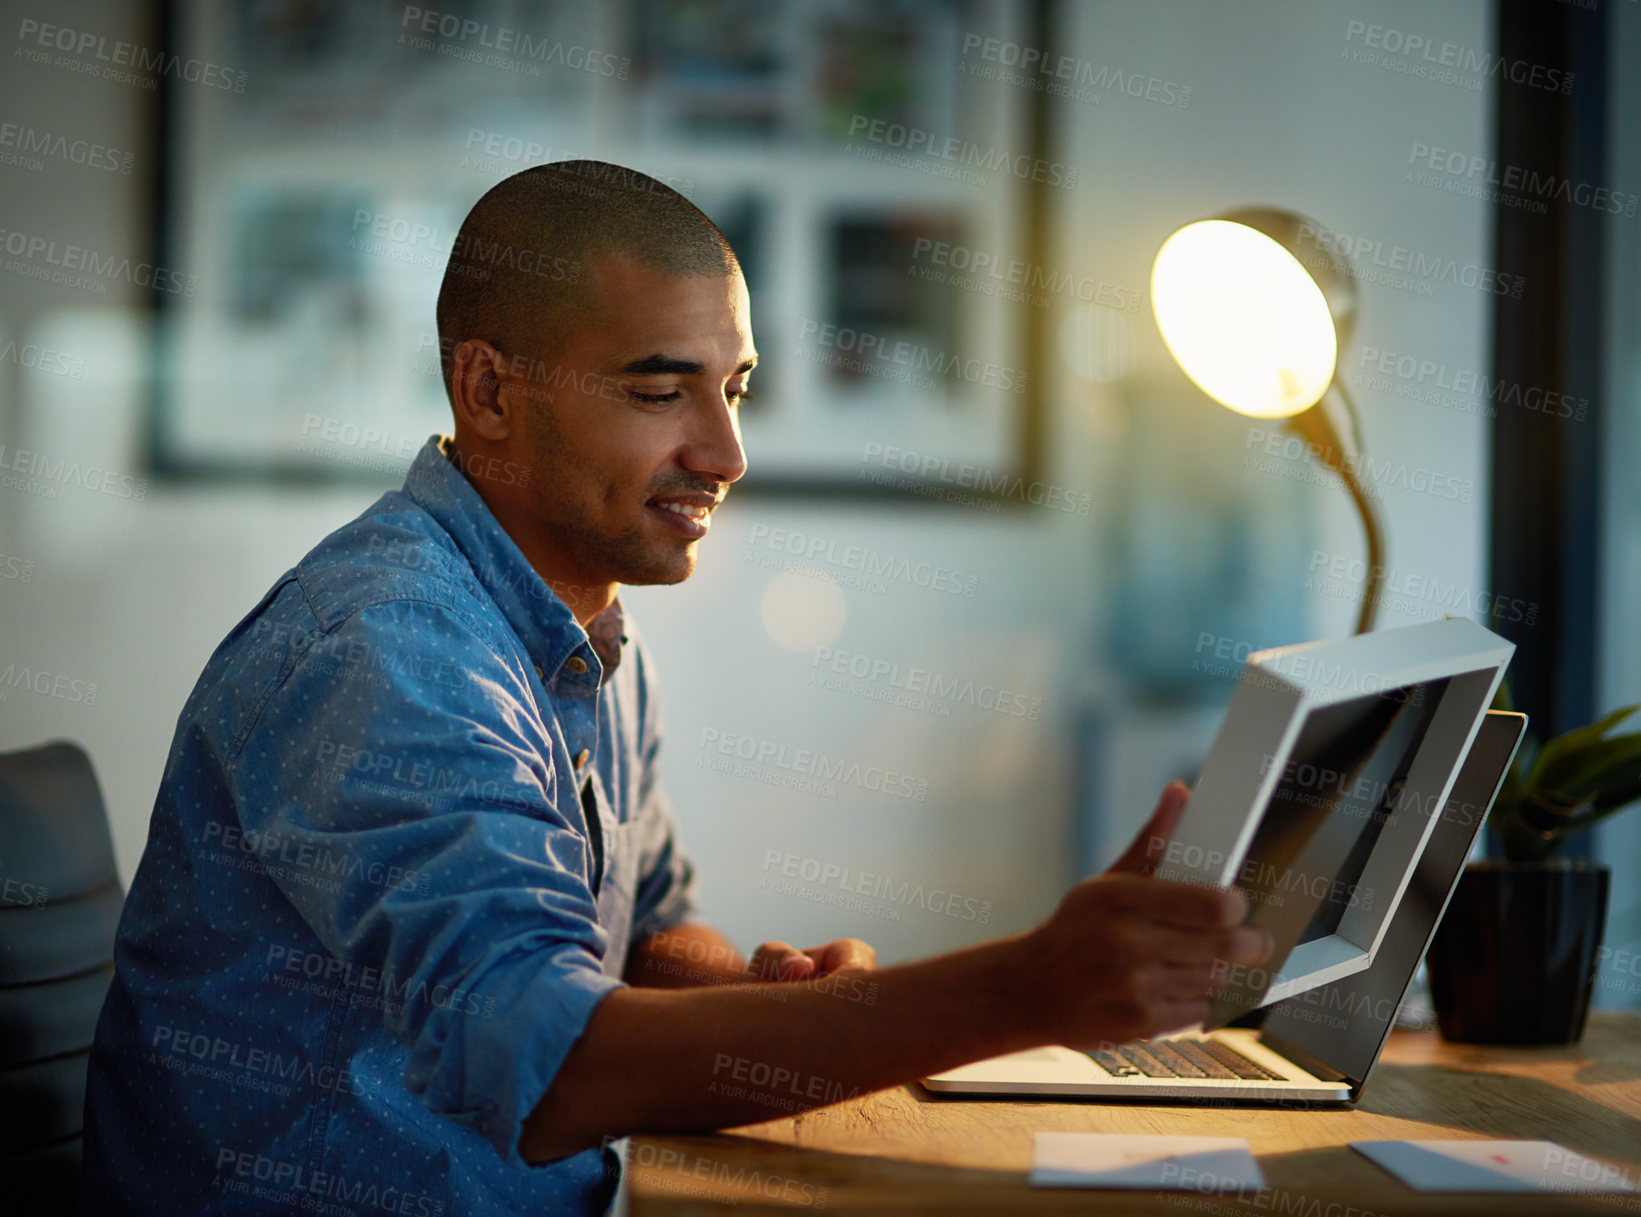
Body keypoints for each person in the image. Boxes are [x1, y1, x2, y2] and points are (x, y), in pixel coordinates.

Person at [79, 160, 1271, 1216]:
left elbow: (644, 928)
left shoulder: (581, 617)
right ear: (488, 390)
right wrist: (1029, 986)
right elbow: (555, 1068)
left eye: (733, 387)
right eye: (661, 393)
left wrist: (765, 990)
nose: (726, 452)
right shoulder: (391, 652)